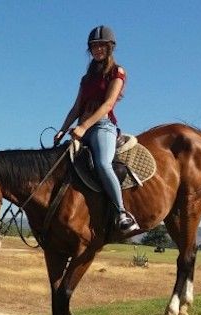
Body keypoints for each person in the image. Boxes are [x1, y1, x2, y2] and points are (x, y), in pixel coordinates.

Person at [53, 25, 139, 233]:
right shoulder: (86, 78)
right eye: (94, 46)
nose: (98, 50)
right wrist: (63, 129)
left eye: (102, 46)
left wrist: (83, 126)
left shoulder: (117, 72)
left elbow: (108, 104)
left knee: (102, 164)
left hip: (102, 126)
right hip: (81, 127)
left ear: (110, 48)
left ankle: (121, 213)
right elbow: (76, 107)